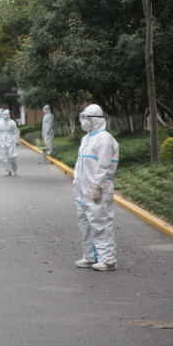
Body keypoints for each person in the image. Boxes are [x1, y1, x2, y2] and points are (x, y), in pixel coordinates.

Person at [73, 104, 119, 272]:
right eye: (83, 117)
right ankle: (90, 256)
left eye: (87, 118)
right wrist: (76, 182)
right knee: (85, 225)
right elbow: (80, 164)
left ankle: (107, 260)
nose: (84, 121)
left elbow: (104, 165)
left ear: (96, 120)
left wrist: (98, 186)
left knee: (101, 223)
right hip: (82, 190)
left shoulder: (104, 138)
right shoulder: (86, 138)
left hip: (98, 189)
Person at [0, 110, 20, 176]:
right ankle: (7, 170)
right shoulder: (0, 123)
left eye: (5, 114)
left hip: (11, 141)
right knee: (4, 156)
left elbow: (16, 132)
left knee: (12, 156)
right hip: (3, 141)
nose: (4, 116)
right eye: (3, 114)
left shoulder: (12, 123)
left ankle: (14, 169)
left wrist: (17, 141)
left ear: (8, 115)